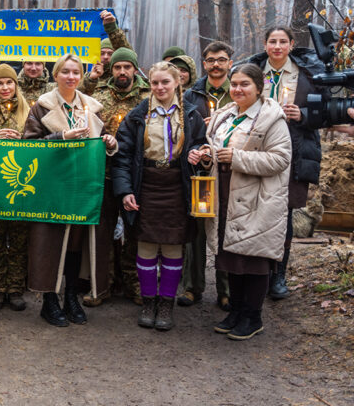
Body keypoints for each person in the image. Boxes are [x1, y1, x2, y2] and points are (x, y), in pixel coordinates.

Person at [189, 63, 291, 340]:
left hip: (257, 199)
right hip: (225, 195)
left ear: (259, 88)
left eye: (244, 84)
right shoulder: (224, 115)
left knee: (253, 258)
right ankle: (235, 311)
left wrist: (237, 159)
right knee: (230, 256)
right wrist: (206, 155)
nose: (237, 89)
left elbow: (281, 159)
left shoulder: (272, 119)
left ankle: (252, 316)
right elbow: (217, 148)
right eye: (234, 84)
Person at [23, 54, 118, 327]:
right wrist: (60, 137)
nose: (71, 77)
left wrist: (109, 142)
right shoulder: (41, 108)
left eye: (76, 72)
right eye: (65, 72)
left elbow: (102, 143)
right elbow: (29, 147)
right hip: (52, 186)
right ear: (56, 75)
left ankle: (72, 298)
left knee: (76, 245)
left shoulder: (92, 107)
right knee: (52, 245)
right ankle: (50, 301)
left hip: (81, 186)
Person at [112, 62, 206, 331]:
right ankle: (149, 301)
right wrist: (125, 191)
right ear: (149, 84)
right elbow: (123, 158)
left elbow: (201, 143)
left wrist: (199, 152)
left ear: (177, 83)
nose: (160, 87)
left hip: (178, 185)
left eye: (166, 82)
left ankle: (167, 303)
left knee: (174, 246)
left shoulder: (191, 115)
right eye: (155, 83)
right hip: (147, 185)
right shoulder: (137, 115)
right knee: (146, 246)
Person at [242, 26, 324, 299]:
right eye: (272, 41)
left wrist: (301, 114)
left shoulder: (308, 74)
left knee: (283, 214)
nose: (277, 46)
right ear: (265, 44)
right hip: (257, 150)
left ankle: (278, 275)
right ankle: (255, 274)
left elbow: (322, 111)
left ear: (290, 44)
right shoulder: (253, 72)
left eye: (283, 42)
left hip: (294, 151)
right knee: (254, 209)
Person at [93, 48, 151, 305]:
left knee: (133, 232)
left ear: (135, 69)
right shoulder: (99, 96)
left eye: (127, 67)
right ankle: (102, 286)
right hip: (103, 174)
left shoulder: (147, 97)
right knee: (102, 233)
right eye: (117, 67)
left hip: (134, 176)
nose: (122, 72)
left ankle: (133, 284)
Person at [179, 41, 234, 310]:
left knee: (224, 229)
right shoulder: (192, 95)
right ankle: (192, 287)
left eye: (221, 60)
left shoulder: (237, 91)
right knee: (198, 230)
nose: (216, 64)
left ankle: (225, 290)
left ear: (229, 63)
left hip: (230, 175)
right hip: (202, 176)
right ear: (204, 63)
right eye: (211, 60)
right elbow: (184, 133)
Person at [0, 64, 30, 311]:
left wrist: (24, 141)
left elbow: (39, 142)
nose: (5, 87)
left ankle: (16, 288)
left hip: (20, 186)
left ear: (15, 85)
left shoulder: (28, 112)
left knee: (19, 240)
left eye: (9, 83)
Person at [79, 10, 132, 96]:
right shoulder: (88, 77)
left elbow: (126, 53)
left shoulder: (122, 76)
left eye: (110, 54)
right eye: (102, 53)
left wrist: (112, 28)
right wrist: (92, 79)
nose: (106, 57)